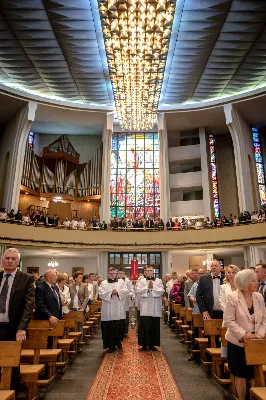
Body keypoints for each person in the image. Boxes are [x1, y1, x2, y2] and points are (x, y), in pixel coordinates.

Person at [224, 269, 266, 400]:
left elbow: (264, 318)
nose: (256, 282)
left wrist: (260, 334)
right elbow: (229, 320)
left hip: (255, 342)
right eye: (253, 280)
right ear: (245, 282)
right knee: (240, 374)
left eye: (256, 280)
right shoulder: (233, 297)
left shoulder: (258, 297)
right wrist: (244, 334)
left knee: (254, 373)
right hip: (237, 342)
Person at [0, 248, 35, 392]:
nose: (9, 261)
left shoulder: (26, 278)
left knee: (13, 363)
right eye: (7, 258)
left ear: (18, 262)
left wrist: (22, 328)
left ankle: (12, 392)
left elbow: (28, 306)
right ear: (3, 260)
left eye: (13, 259)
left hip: (13, 327)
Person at [99, 267, 128, 352]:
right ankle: (110, 345)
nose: (112, 275)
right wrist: (110, 292)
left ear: (116, 273)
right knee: (109, 328)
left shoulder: (121, 282)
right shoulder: (103, 283)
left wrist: (118, 292)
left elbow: (125, 291)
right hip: (108, 309)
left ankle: (118, 342)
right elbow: (101, 293)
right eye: (110, 273)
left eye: (113, 273)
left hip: (118, 308)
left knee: (119, 327)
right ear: (108, 274)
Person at [137, 266, 164, 351]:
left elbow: (161, 291)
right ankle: (144, 345)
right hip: (145, 307)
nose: (149, 272)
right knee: (144, 326)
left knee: (154, 326)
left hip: (155, 307)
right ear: (145, 272)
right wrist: (147, 288)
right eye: (147, 270)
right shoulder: (141, 281)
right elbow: (139, 291)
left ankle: (152, 345)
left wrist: (153, 288)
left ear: (153, 271)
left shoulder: (158, 280)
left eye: (151, 270)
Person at [219, 265, 239, 357]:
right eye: (229, 272)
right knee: (228, 340)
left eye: (233, 272)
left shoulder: (241, 286)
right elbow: (222, 302)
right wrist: (230, 313)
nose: (231, 275)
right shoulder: (223, 287)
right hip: (228, 317)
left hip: (241, 317)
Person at [187, 269, 206, 361]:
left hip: (207, 311)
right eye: (199, 273)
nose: (200, 275)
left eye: (202, 273)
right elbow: (190, 295)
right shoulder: (195, 284)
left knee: (206, 333)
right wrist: (194, 299)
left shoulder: (210, 284)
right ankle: (194, 352)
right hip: (197, 311)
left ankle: (205, 354)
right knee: (195, 332)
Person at [69, 271, 88, 341]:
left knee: (80, 325)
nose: (81, 279)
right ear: (75, 278)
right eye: (80, 277)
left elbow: (86, 297)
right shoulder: (70, 286)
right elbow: (69, 297)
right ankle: (74, 342)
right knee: (73, 325)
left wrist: (83, 307)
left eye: (81, 277)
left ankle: (80, 341)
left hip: (80, 308)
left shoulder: (84, 285)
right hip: (73, 308)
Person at [117, 267, 134, 336]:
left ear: (124, 273)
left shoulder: (127, 281)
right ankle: (119, 331)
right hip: (117, 301)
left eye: (121, 273)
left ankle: (125, 331)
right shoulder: (116, 280)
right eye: (119, 273)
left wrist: (129, 294)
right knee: (118, 316)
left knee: (126, 317)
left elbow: (131, 290)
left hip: (125, 301)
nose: (120, 275)